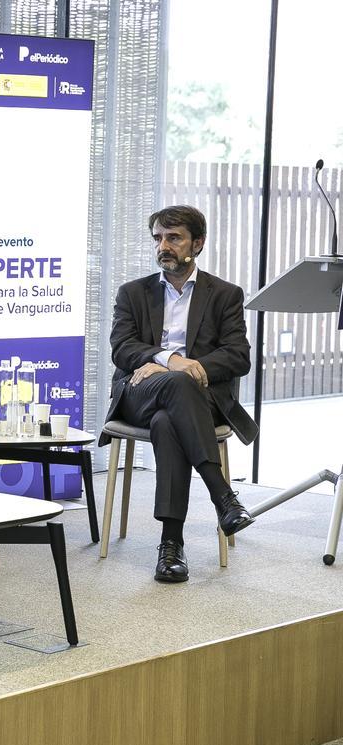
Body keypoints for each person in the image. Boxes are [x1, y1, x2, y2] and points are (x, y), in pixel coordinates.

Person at [101, 204, 257, 583]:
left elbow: (239, 356)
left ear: (197, 244)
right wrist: (169, 360)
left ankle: (171, 545)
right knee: (175, 383)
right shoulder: (133, 293)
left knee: (167, 420)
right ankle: (223, 495)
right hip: (140, 391)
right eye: (158, 238)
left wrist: (193, 367)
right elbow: (121, 347)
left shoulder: (224, 294)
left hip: (197, 401)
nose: (163, 246)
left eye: (174, 238)